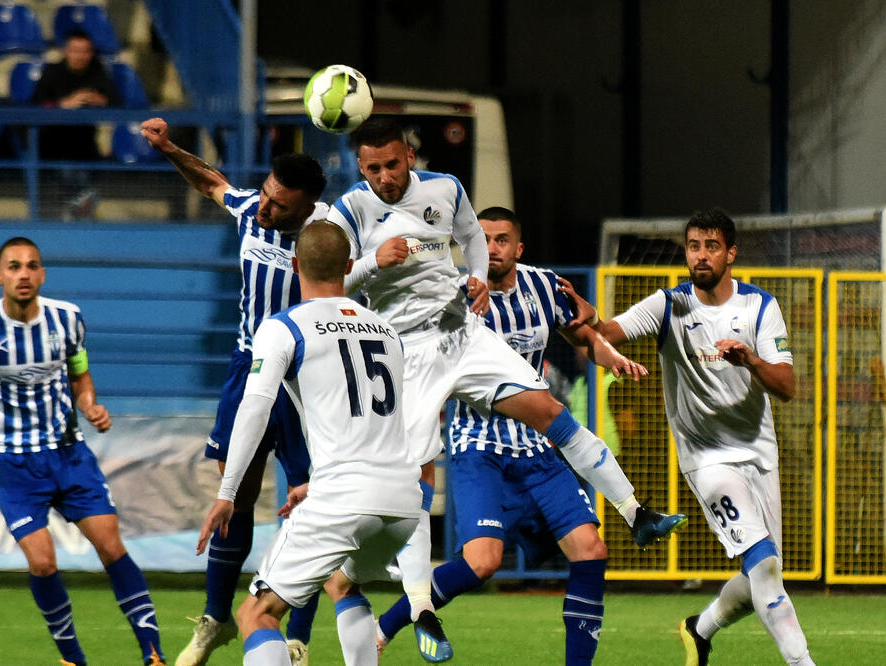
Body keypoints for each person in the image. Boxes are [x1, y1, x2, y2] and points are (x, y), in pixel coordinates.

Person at [327, 117, 685, 661]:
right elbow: (327, 278)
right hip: (409, 356)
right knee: (420, 480)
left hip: (460, 334)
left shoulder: (445, 190)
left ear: (410, 157)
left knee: (549, 409)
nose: (385, 178)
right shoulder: (349, 209)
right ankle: (418, 607)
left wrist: (473, 278)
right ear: (361, 167)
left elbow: (470, 237)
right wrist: (375, 260)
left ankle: (637, 513)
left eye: (393, 165)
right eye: (373, 168)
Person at [376, 207, 653, 663]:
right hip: (479, 446)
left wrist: (609, 354)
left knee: (590, 551)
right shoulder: (449, 295)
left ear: (518, 247)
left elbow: (583, 335)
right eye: (483, 239)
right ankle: (383, 628)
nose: (493, 248)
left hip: (539, 450)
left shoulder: (543, 286)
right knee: (483, 561)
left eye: (502, 239)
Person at [0, 237, 165, 665]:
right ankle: (72, 659)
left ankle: (153, 654)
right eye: (13, 267)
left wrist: (90, 407)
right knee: (43, 563)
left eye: (31, 266)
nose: (23, 274)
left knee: (111, 546)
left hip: (68, 454)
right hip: (13, 463)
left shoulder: (68, 320)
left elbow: (80, 375)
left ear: (42, 274)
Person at [580, 209, 813, 666]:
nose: (701, 256)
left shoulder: (759, 307)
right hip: (707, 460)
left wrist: (750, 361)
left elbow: (786, 387)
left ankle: (699, 629)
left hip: (760, 455)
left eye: (711, 246)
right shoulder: (668, 305)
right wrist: (581, 325)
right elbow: (601, 338)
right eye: (693, 246)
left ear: (731, 253)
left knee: (761, 580)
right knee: (764, 566)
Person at [140, 117, 327, 666]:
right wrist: (171, 147)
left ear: (308, 209)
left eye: (279, 205)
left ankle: (298, 639)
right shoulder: (250, 211)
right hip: (248, 370)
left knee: (311, 506)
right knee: (235, 494)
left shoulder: (329, 237)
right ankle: (217, 620)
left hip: (307, 380)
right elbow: (209, 182)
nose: (266, 208)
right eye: (266, 195)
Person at [195, 220, 421, 666]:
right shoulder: (387, 331)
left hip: (344, 497)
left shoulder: (283, 327)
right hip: (402, 502)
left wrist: (227, 494)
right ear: (350, 265)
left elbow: (254, 409)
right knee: (342, 584)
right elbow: (384, 426)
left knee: (257, 614)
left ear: (295, 264)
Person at [31, 29, 121, 219]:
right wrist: (62, 104)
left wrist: (100, 100)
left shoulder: (97, 73)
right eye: (75, 50)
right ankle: (79, 216)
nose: (80, 56)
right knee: (74, 175)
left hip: (86, 146)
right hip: (54, 145)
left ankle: (77, 214)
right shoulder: (52, 72)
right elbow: (36, 105)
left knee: (85, 172)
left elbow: (116, 102)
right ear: (66, 51)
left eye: (85, 51)